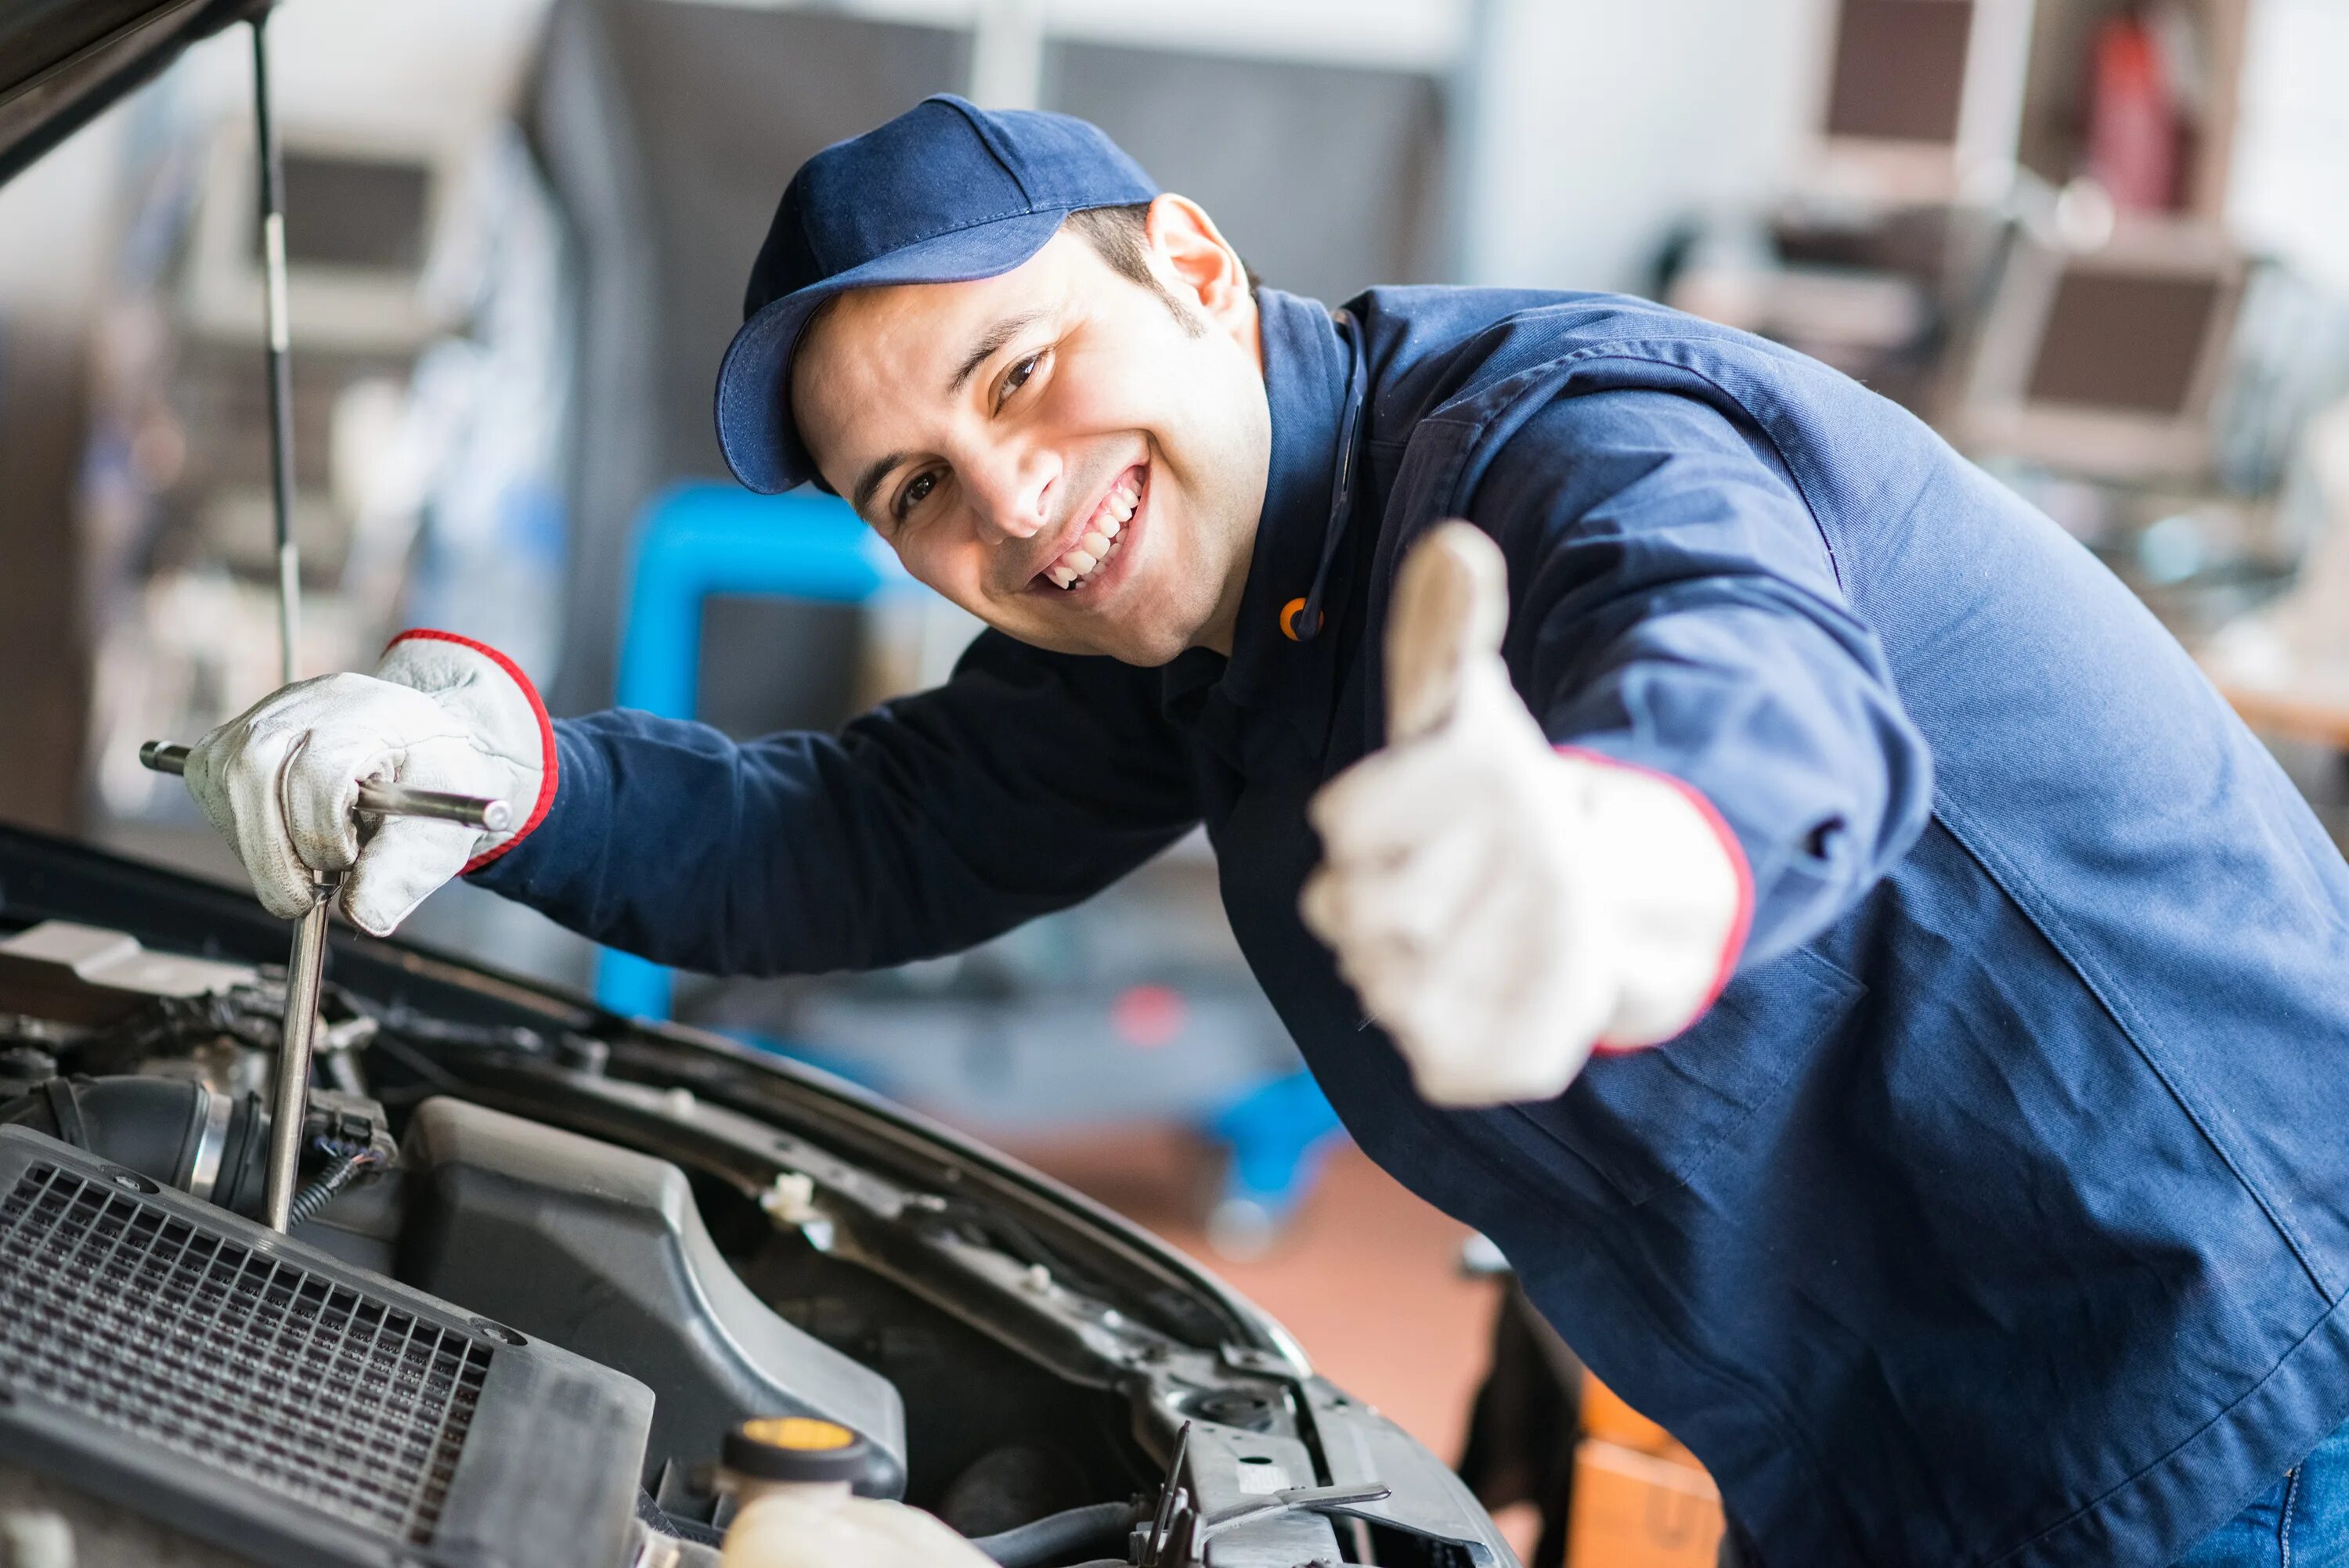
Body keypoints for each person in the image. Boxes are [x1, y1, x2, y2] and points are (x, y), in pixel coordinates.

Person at [183, 96, 2349, 1568]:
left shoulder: (1556, 445)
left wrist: (1621, 864)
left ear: (1195, 269)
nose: (1010, 502)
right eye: (914, 490)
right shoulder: (1186, 616)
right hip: (1886, 1454)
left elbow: (1752, 681)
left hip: (2231, 1402)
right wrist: (503, 759)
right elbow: (875, 830)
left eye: (1020, 373)